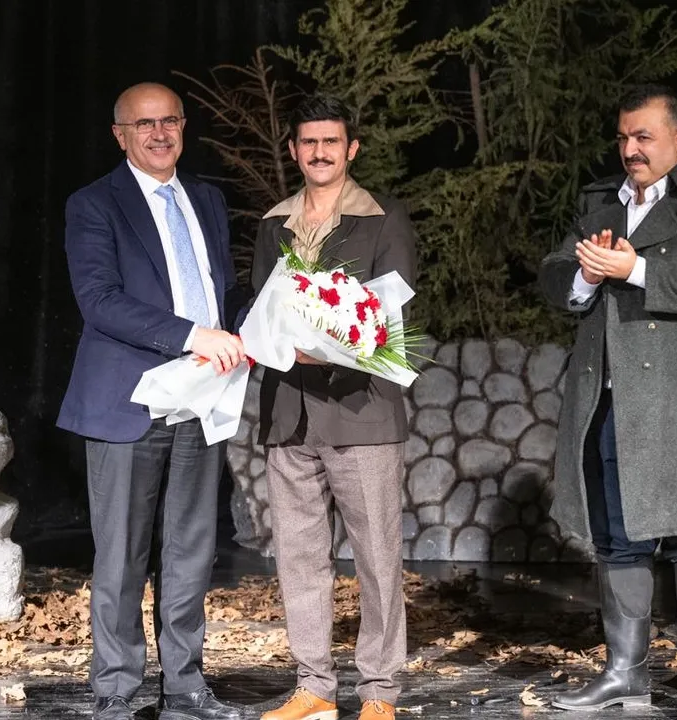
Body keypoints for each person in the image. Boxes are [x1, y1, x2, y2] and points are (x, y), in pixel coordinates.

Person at [538, 84, 677, 720]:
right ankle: (625, 673)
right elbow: (555, 272)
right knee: (618, 540)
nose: (630, 149)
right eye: (623, 137)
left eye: (644, 137)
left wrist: (632, 269)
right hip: (613, 398)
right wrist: (584, 274)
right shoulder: (601, 202)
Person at [57, 81, 246, 720]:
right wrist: (195, 335)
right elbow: (100, 301)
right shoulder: (93, 204)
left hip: (202, 396)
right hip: (128, 401)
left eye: (170, 121)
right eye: (144, 124)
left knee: (191, 550)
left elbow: (222, 292)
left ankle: (186, 687)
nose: (160, 133)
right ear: (121, 135)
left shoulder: (207, 199)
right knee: (121, 557)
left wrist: (269, 323)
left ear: (183, 126)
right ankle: (116, 689)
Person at [253, 94, 417, 720]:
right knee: (298, 558)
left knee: (376, 559)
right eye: (308, 142)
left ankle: (379, 692)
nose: (319, 152)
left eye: (331, 142)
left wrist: (332, 345)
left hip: (360, 411)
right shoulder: (274, 223)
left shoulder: (383, 217)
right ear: (294, 150)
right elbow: (261, 302)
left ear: (351, 149)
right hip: (288, 411)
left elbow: (391, 310)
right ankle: (315, 686)